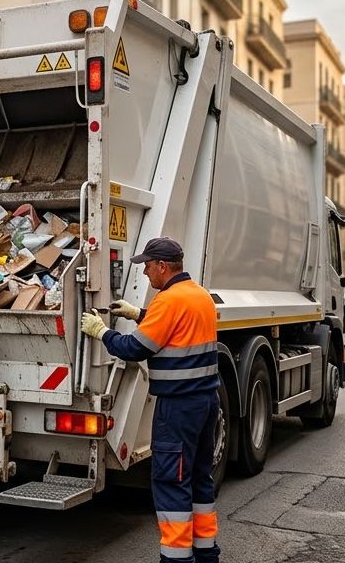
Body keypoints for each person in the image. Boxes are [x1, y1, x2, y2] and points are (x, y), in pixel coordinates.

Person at [80, 237, 220, 563]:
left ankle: (176, 558)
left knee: (171, 481)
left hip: (178, 408)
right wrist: (137, 313)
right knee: (200, 478)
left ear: (162, 266)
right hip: (206, 403)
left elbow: (135, 349)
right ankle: (205, 554)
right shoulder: (200, 296)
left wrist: (101, 332)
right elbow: (177, 330)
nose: (145, 273)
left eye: (147, 266)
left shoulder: (168, 300)